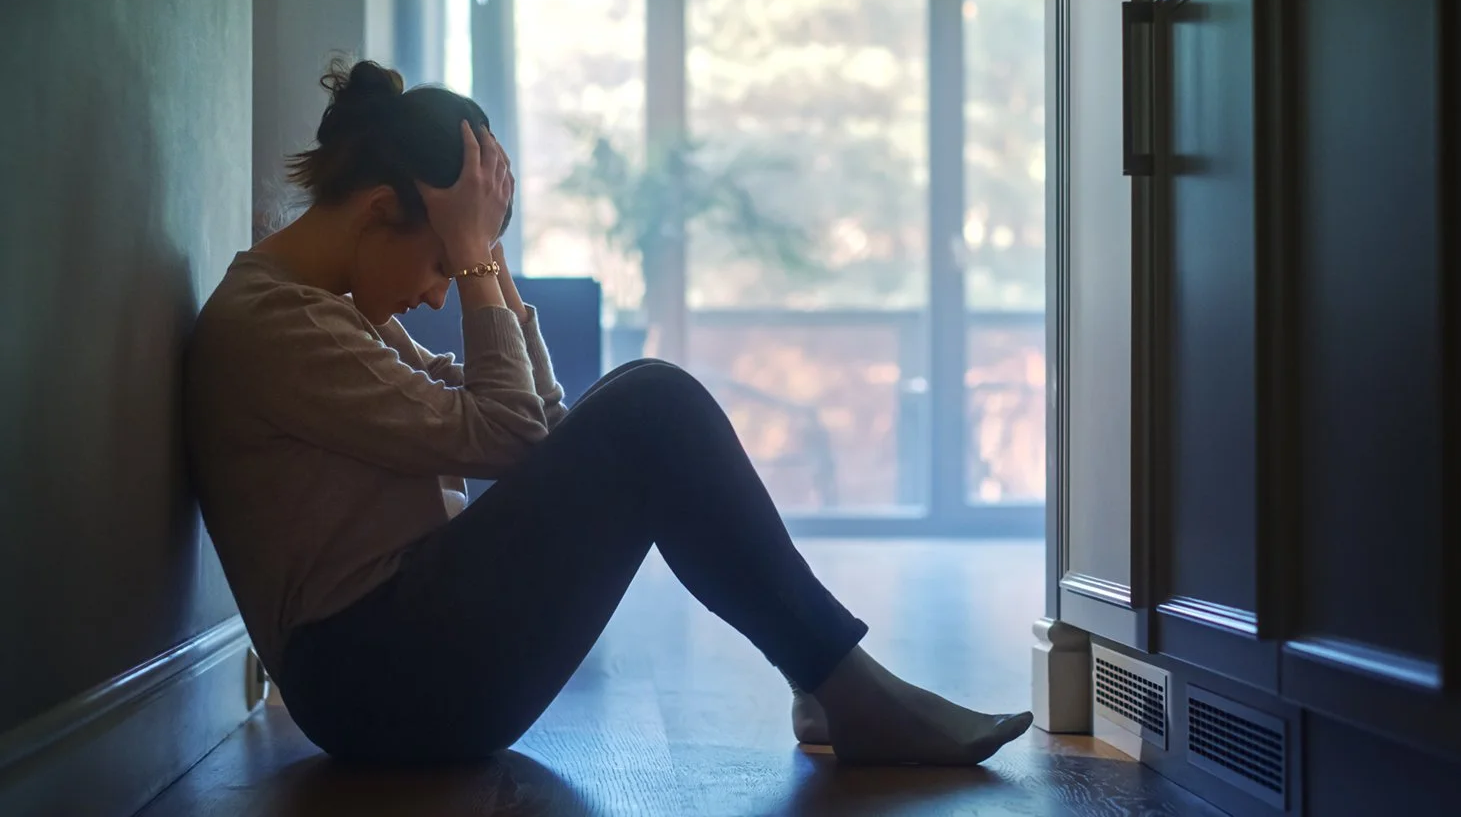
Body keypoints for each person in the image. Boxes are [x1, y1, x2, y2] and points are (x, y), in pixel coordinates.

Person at [186, 59, 1033, 766]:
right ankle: (842, 688)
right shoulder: (277, 324)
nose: (438, 294)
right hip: (376, 688)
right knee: (653, 401)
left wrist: (489, 264)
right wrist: (479, 262)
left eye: (457, 269)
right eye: (444, 263)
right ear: (379, 213)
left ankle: (832, 686)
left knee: (646, 397)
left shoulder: (326, 313)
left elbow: (538, 434)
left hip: (402, 661)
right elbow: (513, 432)